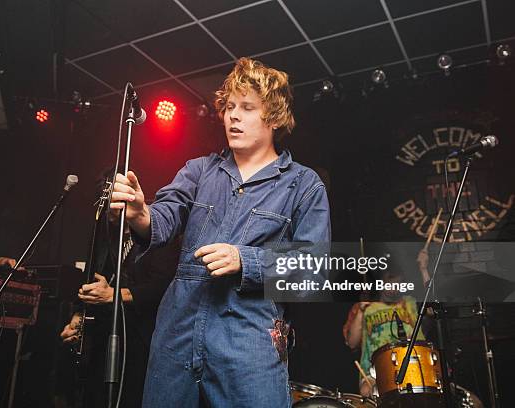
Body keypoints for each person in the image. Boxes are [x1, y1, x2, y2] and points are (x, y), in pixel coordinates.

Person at [110, 57, 331, 407]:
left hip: (250, 344)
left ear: (273, 117)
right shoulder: (199, 171)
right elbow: (163, 218)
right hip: (176, 336)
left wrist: (246, 261)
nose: (233, 116)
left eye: (246, 107)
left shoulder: (303, 184)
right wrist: (140, 213)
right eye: (229, 107)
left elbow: (314, 268)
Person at [59, 172, 178, 408]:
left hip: (140, 343)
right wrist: (77, 316)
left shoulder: (157, 229)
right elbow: (91, 279)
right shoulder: (105, 235)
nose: (111, 209)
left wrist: (112, 295)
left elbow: (163, 287)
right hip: (102, 343)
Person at [342, 248, 431, 397]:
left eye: (397, 284)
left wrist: (423, 269)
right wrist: (361, 309)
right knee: (366, 391)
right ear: (380, 280)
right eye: (389, 282)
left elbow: (433, 308)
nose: (392, 289)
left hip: (415, 366)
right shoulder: (365, 308)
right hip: (375, 373)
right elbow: (352, 342)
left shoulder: (410, 303)